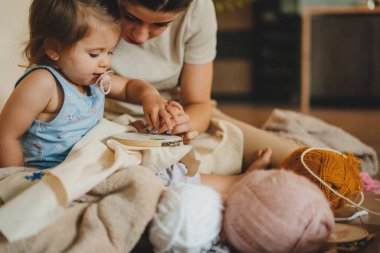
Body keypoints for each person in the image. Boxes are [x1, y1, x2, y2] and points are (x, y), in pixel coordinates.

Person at [109, 0, 300, 170]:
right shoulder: (86, 7)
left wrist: (179, 126)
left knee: (300, 162)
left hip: (181, 115)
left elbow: (199, 104)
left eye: (161, 25)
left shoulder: (198, 8)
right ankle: (232, 183)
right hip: (102, 115)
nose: (141, 36)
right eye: (131, 17)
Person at [0, 0, 182, 169]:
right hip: (51, 173)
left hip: (87, 163)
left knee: (165, 166)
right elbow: (6, 136)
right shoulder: (43, 82)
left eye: (110, 52)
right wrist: (17, 180)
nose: (105, 63)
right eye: (95, 54)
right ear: (55, 48)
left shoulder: (94, 79)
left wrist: (149, 96)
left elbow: (128, 88)